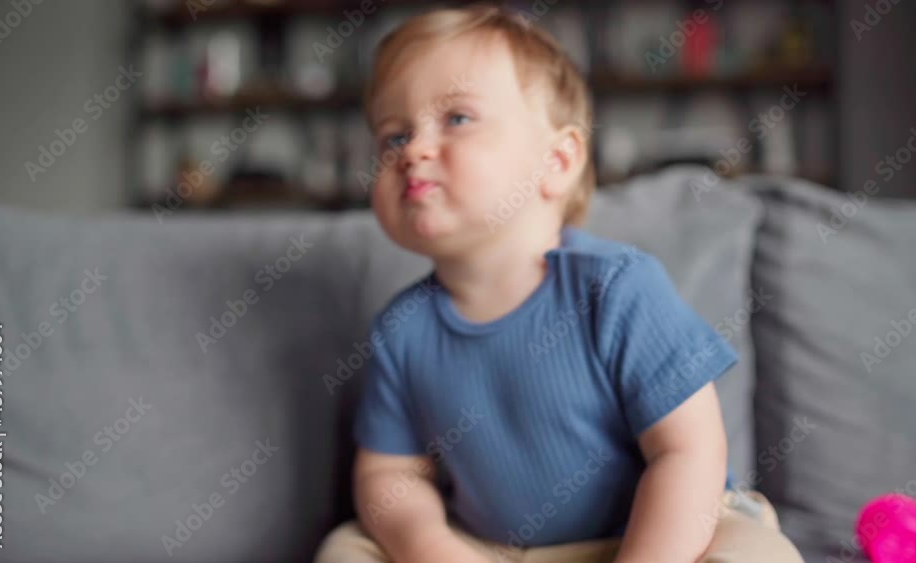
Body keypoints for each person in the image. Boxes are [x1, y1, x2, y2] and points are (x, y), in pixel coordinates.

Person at [316, 5, 803, 562]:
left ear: (557, 160)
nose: (414, 151)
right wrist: (431, 547)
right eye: (393, 136)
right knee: (346, 550)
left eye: (456, 119)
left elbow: (689, 453)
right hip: (496, 548)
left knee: (756, 556)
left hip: (662, 530)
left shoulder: (618, 288)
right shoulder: (402, 329)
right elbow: (389, 473)